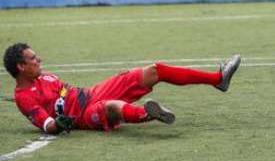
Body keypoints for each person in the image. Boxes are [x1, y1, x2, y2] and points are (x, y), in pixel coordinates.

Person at [5, 42, 241, 133]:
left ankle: (217, 79)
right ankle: (149, 113)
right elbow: (47, 125)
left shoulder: (43, 78)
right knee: (113, 107)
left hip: (91, 92)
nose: (39, 60)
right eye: (33, 59)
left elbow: (67, 93)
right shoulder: (24, 98)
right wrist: (60, 123)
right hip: (83, 116)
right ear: (21, 66)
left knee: (154, 70)